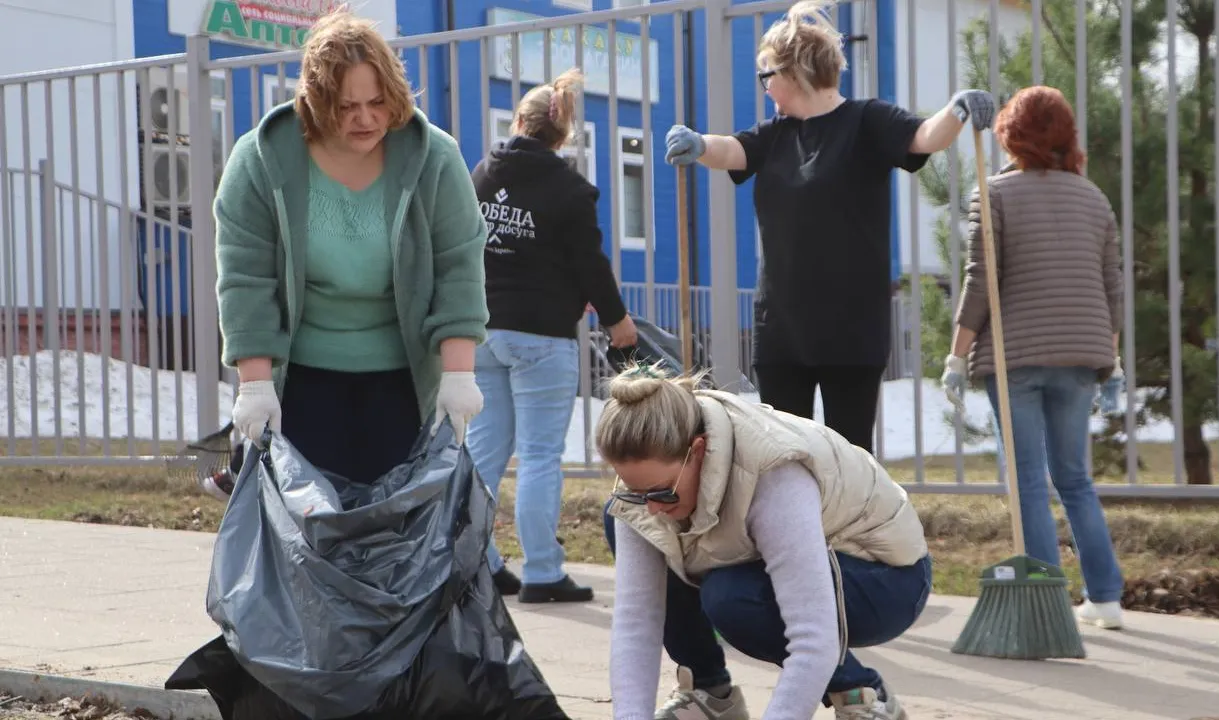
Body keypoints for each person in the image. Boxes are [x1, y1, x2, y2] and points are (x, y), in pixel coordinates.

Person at [662, 0, 995, 453]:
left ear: (794, 72)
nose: (765, 88)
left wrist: (956, 109)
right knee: (783, 455)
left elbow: (924, 137)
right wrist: (699, 144)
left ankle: (848, 528)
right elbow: (730, 151)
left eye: (767, 76)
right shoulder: (774, 134)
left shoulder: (868, 121)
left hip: (851, 330)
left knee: (851, 459)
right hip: (782, 330)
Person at [216, 9, 488, 487]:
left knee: (396, 534)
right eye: (346, 107)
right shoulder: (261, 161)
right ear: (315, 102)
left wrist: (459, 375)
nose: (366, 118)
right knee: (309, 537)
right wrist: (255, 385)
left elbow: (458, 265)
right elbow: (245, 278)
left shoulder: (435, 159)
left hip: (403, 380)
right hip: (301, 381)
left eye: (378, 102)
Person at [598, 363, 932, 720]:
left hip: (884, 578)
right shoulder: (649, 483)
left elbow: (813, 639)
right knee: (620, 515)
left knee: (732, 598)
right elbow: (636, 623)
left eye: (661, 492)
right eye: (636, 491)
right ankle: (710, 694)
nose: (650, 505)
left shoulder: (775, 475)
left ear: (697, 451)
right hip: (771, 561)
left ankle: (862, 695)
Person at [939, 85, 1126, 630]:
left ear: (1009, 134)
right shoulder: (1094, 199)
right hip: (1081, 355)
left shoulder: (993, 193)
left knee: (1026, 481)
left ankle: (1048, 604)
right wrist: (1110, 359)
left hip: (1016, 357)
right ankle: (1107, 597)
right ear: (1067, 134)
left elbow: (981, 282)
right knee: (1074, 478)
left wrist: (957, 356)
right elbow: (1111, 286)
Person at [467, 68, 638, 603]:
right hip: (541, 334)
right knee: (540, 454)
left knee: (481, 454)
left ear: (520, 122)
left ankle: (477, 563)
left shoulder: (481, 176)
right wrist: (619, 322)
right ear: (561, 135)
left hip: (482, 330)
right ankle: (541, 571)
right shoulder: (569, 191)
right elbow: (590, 264)